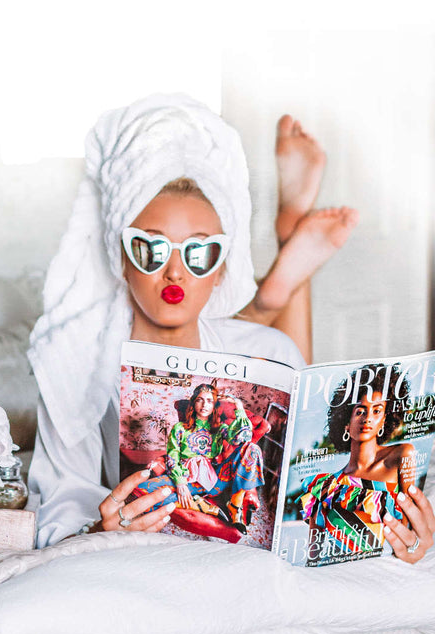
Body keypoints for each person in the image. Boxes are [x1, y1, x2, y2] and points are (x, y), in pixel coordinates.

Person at [27, 94, 434, 563]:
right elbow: (59, 504)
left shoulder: (267, 350)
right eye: (151, 250)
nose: (175, 273)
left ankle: (282, 269)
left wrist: (401, 536)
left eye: (200, 254)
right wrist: (102, 529)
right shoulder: (74, 370)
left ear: (221, 268)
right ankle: (282, 269)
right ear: (121, 258)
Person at [298, 365, 433, 563]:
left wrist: (411, 552)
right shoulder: (325, 485)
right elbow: (313, 554)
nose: (368, 418)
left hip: (384, 571)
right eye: (360, 411)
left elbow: (408, 532)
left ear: (384, 420)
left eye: (376, 411)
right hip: (332, 577)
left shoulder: (401, 455)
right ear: (346, 422)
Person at [135, 384, 263, 531]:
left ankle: (235, 505)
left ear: (214, 405)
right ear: (194, 402)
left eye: (209, 401)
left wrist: (239, 407)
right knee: (141, 489)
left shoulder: (220, 428)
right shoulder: (180, 428)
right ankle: (200, 506)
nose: (204, 405)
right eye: (200, 400)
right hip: (187, 478)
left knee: (252, 448)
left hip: (214, 479)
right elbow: (172, 457)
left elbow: (244, 438)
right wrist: (181, 484)